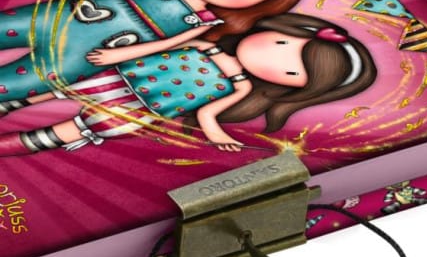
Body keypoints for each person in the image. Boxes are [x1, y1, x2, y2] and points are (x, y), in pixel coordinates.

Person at [0, 14, 377, 156]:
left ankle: (18, 144)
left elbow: (209, 113)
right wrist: (119, 55)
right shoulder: (205, 44)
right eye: (281, 44)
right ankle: (12, 103)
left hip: (142, 108)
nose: (273, 59)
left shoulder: (241, 87)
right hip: (125, 74)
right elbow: (164, 45)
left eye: (291, 72)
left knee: (79, 127)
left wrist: (218, 137)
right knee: (64, 88)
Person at [0, 0, 307, 103]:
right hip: (70, 15)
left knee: (23, 82)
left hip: (97, 51)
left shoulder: (204, 23)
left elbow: (166, 45)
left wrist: (118, 55)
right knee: (10, 24)